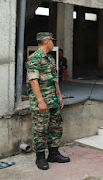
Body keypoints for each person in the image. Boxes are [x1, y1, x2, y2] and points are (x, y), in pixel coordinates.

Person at [26, 32, 70, 170]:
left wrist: (59, 96)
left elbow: (54, 79)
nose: (53, 44)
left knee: (55, 127)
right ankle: (40, 158)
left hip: (54, 100)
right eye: (52, 41)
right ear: (46, 41)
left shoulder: (50, 59)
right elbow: (33, 81)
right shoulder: (34, 59)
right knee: (40, 129)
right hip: (42, 101)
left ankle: (54, 153)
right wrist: (40, 101)